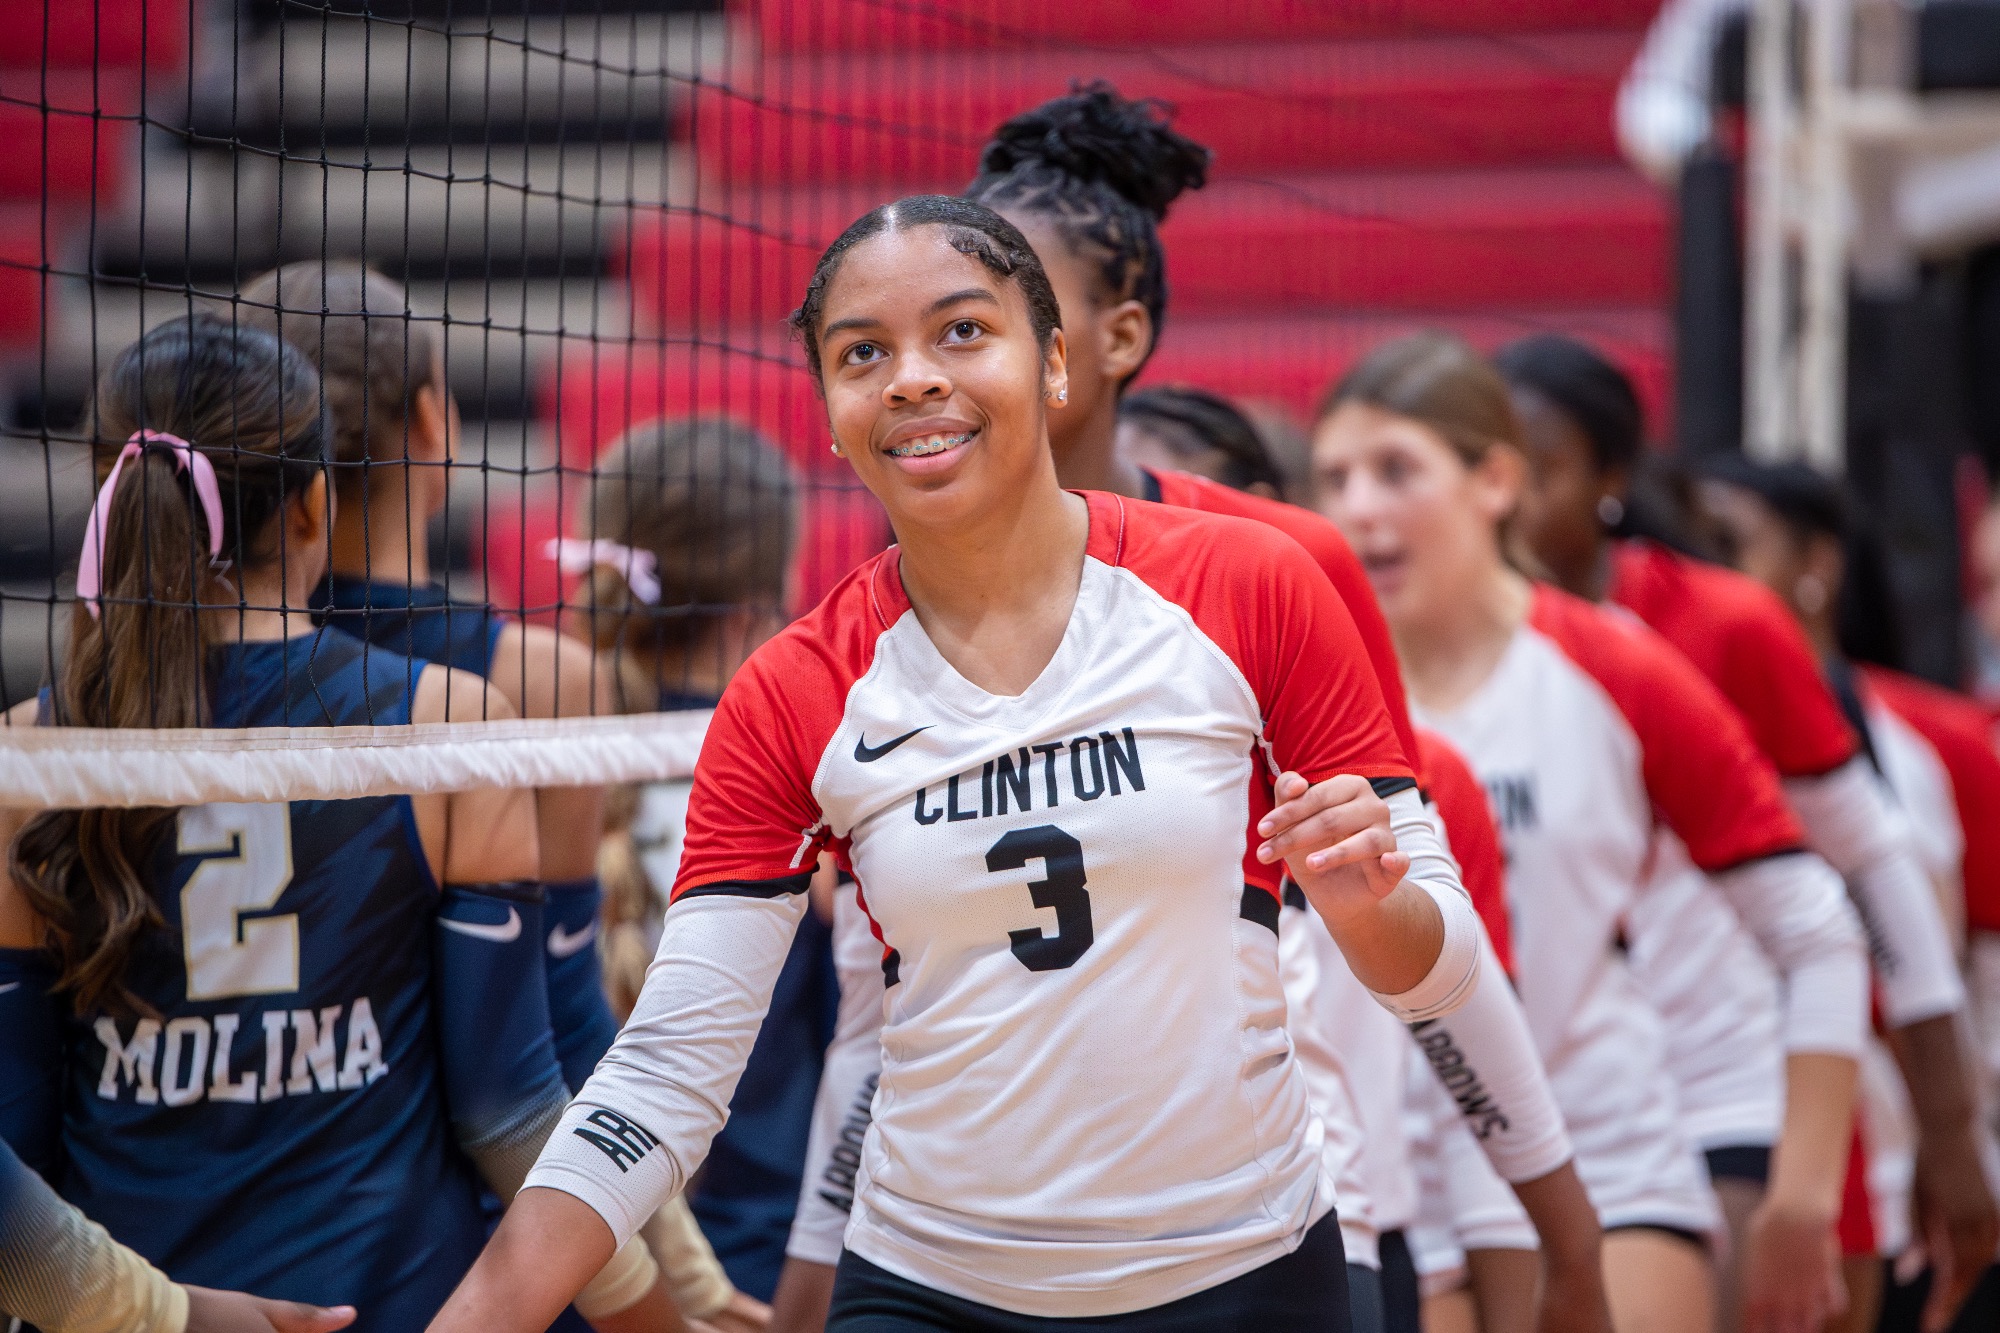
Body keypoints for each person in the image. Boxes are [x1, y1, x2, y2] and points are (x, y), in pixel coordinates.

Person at [427, 194, 1486, 1332]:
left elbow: (1440, 972)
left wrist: (1368, 910)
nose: (912, 378)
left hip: (1241, 1269)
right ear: (832, 415)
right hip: (928, 1283)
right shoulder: (794, 691)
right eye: (861, 354)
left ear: (1056, 363)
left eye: (963, 331)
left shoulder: (1248, 584)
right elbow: (668, 1071)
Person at [942, 86, 1603, 1333]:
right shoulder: (903, 599)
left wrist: (1559, 1230)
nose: (961, 348)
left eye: (1004, 306)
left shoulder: (1278, 563)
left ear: (1117, 337)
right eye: (950, 314)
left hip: (1295, 1214)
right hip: (993, 1251)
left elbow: (1420, 925)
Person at [0, 315, 676, 1333]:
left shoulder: (26, 754)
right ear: (314, 505)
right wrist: (656, 1318)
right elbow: (508, 1114)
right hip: (398, 1303)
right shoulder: (449, 723)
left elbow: (15, 1138)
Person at [1313, 330, 1870, 1333]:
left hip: (1599, 1151)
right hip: (1388, 1184)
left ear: (1494, 480)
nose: (1359, 507)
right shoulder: (1308, 684)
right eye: (1334, 478)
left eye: (1394, 470)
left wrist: (1802, 1193)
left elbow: (1818, 923)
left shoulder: (1615, 666)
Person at [1497, 332, 2000, 1332]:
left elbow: (1872, 865)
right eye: (1492, 469)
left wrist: (1950, 1131)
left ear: (1609, 478)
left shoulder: (1720, 624)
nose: (1509, 501)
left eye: (1539, 470)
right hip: (1530, 1095)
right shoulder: (1440, 638)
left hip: (1739, 1091)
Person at [237, 264, 619, 1096]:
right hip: (458, 1163)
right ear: (429, 420)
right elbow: (565, 1005)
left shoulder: (158, 664)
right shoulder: (543, 682)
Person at [1690, 457, 2000, 1333]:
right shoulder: (1654, 709)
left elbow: (1962, 964)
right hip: (1694, 1125)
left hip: (1862, 1146)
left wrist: (1957, 1137)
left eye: (1731, 544)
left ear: (1816, 564)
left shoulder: (1935, 744)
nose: (1704, 571)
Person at [558, 415, 821, 1316]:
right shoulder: (812, 768)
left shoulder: (535, 758)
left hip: (586, 1253)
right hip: (765, 1252)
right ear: (770, 591)